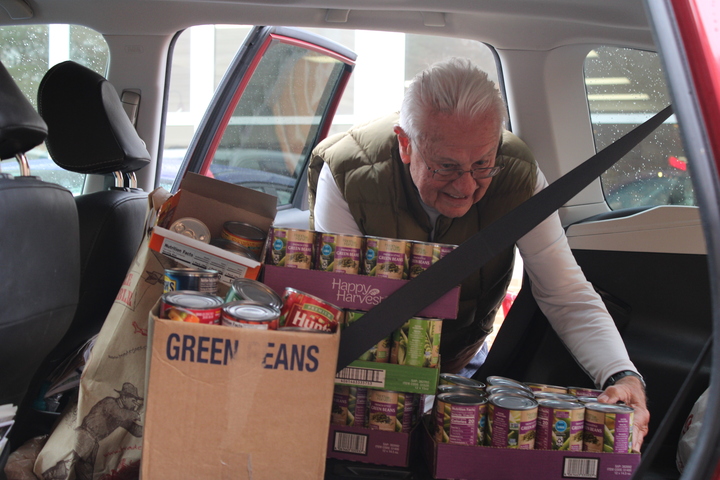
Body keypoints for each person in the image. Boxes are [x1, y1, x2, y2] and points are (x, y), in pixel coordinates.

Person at [307, 57, 649, 450]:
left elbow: (564, 291)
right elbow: (346, 303)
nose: (466, 186)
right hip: (371, 372)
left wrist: (621, 375)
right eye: (447, 166)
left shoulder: (518, 175)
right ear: (406, 144)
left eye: (483, 163)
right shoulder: (349, 173)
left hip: (462, 359)